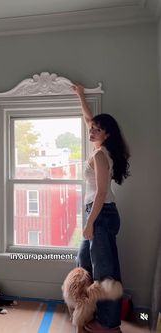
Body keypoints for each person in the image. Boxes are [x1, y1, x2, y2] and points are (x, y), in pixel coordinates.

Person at [73, 84, 130, 333]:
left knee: (105, 272)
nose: (91, 131)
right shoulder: (101, 149)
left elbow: (102, 193)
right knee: (83, 262)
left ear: (106, 134)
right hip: (99, 214)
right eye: (92, 128)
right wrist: (81, 96)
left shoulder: (99, 156)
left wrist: (88, 223)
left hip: (101, 215)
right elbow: (88, 119)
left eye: (97, 129)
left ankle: (109, 324)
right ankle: (88, 311)